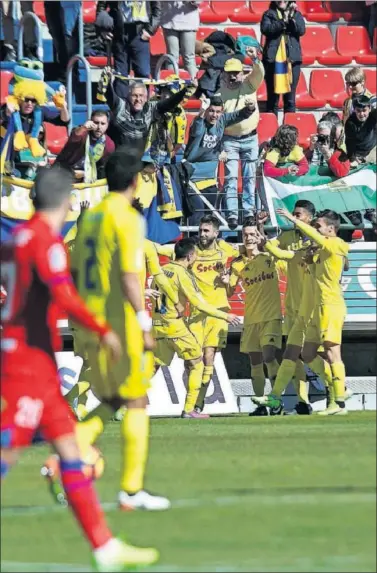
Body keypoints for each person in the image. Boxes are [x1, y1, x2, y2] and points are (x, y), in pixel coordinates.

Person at [0, 165, 159, 569]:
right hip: (27, 363)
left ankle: (104, 548)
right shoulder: (45, 240)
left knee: (70, 450)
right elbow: (63, 294)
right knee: (8, 448)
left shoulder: (15, 237)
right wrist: (103, 328)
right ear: (67, 201)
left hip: (35, 358)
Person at [68, 147, 170, 511]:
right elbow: (130, 275)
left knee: (112, 401)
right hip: (120, 323)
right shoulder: (126, 218)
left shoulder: (91, 217)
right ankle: (131, 490)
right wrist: (144, 321)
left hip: (93, 322)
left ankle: (72, 450)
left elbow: (77, 272)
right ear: (134, 181)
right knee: (138, 400)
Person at [254, 208, 350, 416]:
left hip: (329, 306)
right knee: (305, 353)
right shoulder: (314, 252)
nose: (314, 230)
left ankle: (340, 400)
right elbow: (282, 252)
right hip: (310, 310)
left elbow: (326, 243)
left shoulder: (336, 243)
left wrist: (291, 219)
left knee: (333, 352)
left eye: (318, 226)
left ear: (331, 229)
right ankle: (276, 397)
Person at [152, 237, 240, 418]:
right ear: (191, 256)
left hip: (158, 325)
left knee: (153, 367)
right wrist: (225, 315)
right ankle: (190, 409)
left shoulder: (161, 271)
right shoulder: (182, 274)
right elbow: (199, 304)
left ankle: (121, 404)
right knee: (197, 362)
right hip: (175, 326)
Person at [225, 218, 286, 416]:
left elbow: (287, 257)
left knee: (269, 356)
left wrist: (263, 230)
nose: (249, 238)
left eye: (252, 234)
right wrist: (225, 281)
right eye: (246, 235)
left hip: (271, 316)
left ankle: (276, 400)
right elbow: (229, 291)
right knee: (255, 362)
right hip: (250, 318)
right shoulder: (238, 264)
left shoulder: (271, 256)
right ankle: (261, 405)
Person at [184, 94, 257, 225]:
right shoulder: (198, 122)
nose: (214, 115)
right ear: (206, 111)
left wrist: (250, 108)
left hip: (210, 179)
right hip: (192, 178)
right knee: (196, 215)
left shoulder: (222, 120)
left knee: (209, 218)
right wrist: (201, 112)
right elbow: (197, 132)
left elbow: (238, 115)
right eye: (211, 111)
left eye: (218, 112)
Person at [219, 51, 264, 229]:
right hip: (229, 139)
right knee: (231, 177)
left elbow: (259, 71)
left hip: (250, 138)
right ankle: (232, 214)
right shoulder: (220, 93)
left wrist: (255, 59)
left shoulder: (250, 84)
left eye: (236, 72)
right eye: (230, 73)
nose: (233, 76)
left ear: (243, 72)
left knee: (249, 177)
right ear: (224, 74)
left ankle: (248, 213)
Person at [99, 67, 192, 148]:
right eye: (134, 95)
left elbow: (170, 103)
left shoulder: (156, 109)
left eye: (141, 96)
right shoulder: (123, 106)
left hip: (151, 160)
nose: (138, 99)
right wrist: (107, 81)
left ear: (145, 97)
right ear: (128, 96)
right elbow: (111, 97)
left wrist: (185, 91)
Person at [96, 0, 161, 98]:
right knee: (121, 75)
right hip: (119, 32)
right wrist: (103, 29)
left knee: (143, 73)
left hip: (140, 32)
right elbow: (101, 6)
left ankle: (142, 107)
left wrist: (150, 30)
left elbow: (157, 8)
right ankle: (121, 109)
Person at [261, 1, 306, 116]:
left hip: (292, 61)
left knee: (290, 100)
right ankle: (271, 129)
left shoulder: (296, 14)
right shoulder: (268, 14)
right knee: (272, 99)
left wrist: (290, 18)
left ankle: (289, 132)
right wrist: (283, 21)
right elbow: (266, 29)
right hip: (272, 61)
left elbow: (301, 30)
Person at [55, 111, 115, 183]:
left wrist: (85, 174)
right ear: (90, 122)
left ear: (107, 125)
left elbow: (102, 169)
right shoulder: (82, 133)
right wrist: (83, 128)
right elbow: (76, 134)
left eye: (103, 124)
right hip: (62, 173)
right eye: (96, 123)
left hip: (87, 179)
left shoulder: (109, 145)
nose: (99, 127)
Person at [161, 0, 201, 79]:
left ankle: (193, 86)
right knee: (172, 58)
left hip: (189, 23)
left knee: (189, 57)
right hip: (169, 22)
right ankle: (171, 86)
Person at [345, 95, 377, 166]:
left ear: (370, 109)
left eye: (364, 110)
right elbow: (349, 143)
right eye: (358, 111)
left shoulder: (374, 115)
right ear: (354, 110)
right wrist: (352, 158)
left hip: (374, 148)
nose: (361, 114)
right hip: (359, 152)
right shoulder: (350, 123)